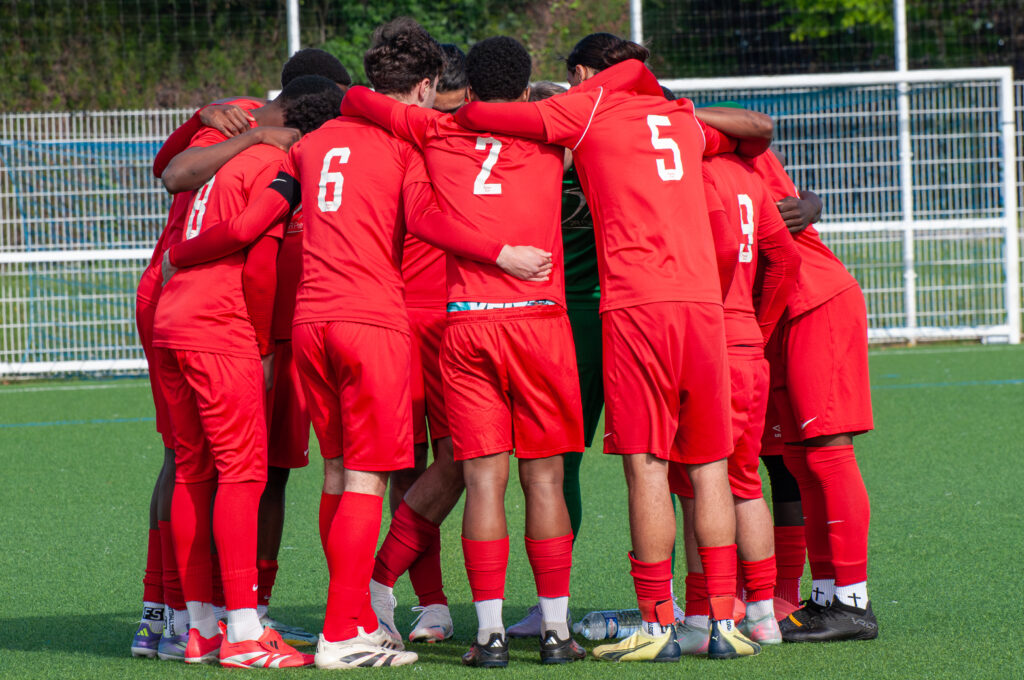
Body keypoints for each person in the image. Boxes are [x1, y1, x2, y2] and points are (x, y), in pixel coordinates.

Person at [163, 18, 552, 669]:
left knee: (340, 474)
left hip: (310, 326)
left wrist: (184, 251)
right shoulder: (404, 142)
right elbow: (425, 220)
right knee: (369, 482)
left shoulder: (314, 143)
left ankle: (350, 620)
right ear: (425, 86)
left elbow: (256, 213)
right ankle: (345, 631)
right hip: (371, 322)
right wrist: (501, 252)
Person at [455, 33, 773, 662]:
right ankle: (718, 622)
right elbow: (756, 133)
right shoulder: (679, 120)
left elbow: (479, 114)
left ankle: (656, 623)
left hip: (635, 306)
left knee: (646, 465)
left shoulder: (588, 112)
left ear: (582, 75)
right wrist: (669, 103)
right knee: (710, 467)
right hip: (703, 307)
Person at [341, 35, 586, 668]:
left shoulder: (437, 132)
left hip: (468, 321)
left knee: (481, 479)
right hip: (539, 321)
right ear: (525, 91)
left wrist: (460, 115)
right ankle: (556, 632)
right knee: (545, 478)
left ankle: (489, 636)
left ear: (468, 89)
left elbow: (360, 99)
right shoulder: (553, 135)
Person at [130, 50, 349, 660]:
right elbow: (253, 249)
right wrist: (260, 343)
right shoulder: (270, 155)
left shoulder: (234, 134)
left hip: (175, 314)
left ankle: (191, 624)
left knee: (192, 468)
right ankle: (244, 632)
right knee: (242, 474)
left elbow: (174, 172)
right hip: (222, 324)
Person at [670, 151, 801, 654]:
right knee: (744, 483)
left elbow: (722, 248)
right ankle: (764, 615)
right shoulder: (746, 173)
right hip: (746, 344)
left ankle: (703, 615)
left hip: (706, 342)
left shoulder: (692, 168)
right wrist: (755, 328)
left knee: (696, 486)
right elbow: (785, 258)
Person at [748, 149, 878, 642]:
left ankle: (853, 602)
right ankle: (825, 596)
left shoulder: (709, 138)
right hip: (781, 311)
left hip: (814, 301)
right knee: (800, 460)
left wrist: (810, 203)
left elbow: (760, 134)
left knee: (828, 453)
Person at [368, 43, 469, 647]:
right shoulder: (390, 140)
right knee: (406, 469)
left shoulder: (475, 137)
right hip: (398, 320)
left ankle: (379, 581)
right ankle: (430, 605)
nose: (443, 119)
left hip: (458, 319)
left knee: (462, 460)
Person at [506, 80, 599, 639]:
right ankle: (705, 604)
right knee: (662, 464)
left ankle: (551, 606)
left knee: (554, 466)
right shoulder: (604, 164)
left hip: (559, 324)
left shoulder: (524, 173)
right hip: (617, 317)